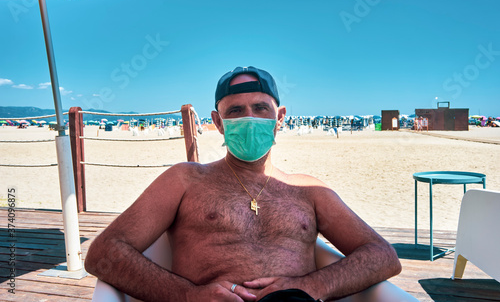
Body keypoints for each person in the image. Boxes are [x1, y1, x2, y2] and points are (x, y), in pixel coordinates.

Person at [85, 66, 401, 302]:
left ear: (280, 117)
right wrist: (187, 295)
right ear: (219, 122)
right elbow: (104, 253)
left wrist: (314, 285)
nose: (249, 118)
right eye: (236, 110)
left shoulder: (309, 191)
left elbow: (382, 256)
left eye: (261, 108)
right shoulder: (186, 180)